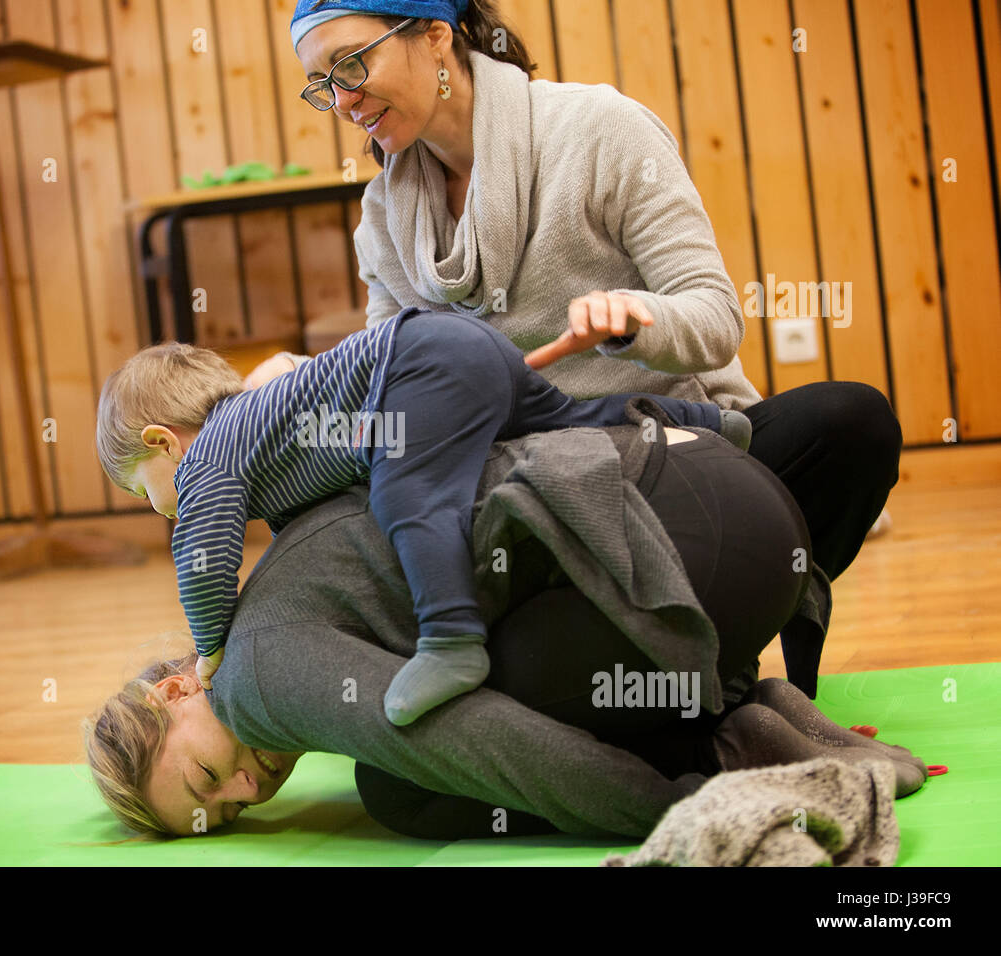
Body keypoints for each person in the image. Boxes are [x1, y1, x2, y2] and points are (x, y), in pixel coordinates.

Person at [244, 0, 902, 696]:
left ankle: (729, 636)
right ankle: (688, 668)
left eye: (352, 63)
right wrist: (301, 381)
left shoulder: (599, 129)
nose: (342, 101)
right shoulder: (382, 220)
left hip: (680, 462)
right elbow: (389, 389)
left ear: (435, 37)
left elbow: (714, 317)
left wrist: (633, 320)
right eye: (322, 83)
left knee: (850, 422)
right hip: (541, 505)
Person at [83, 415, 927, 838]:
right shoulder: (273, 603)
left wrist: (683, 813)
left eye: (205, 780)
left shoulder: (252, 681)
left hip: (695, 547)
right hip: (722, 507)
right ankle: (739, 709)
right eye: (225, 817)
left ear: (177, 686)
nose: (248, 793)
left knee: (405, 782)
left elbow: (475, 739)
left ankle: (723, 753)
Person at [96, 307, 750, 726]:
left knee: (407, 493)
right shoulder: (260, 437)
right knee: (568, 419)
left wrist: (209, 647)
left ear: (163, 443)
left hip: (415, 366)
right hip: (457, 344)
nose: (158, 509)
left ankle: (450, 639)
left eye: (141, 493)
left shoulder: (207, 458)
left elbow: (205, 559)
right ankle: (703, 423)